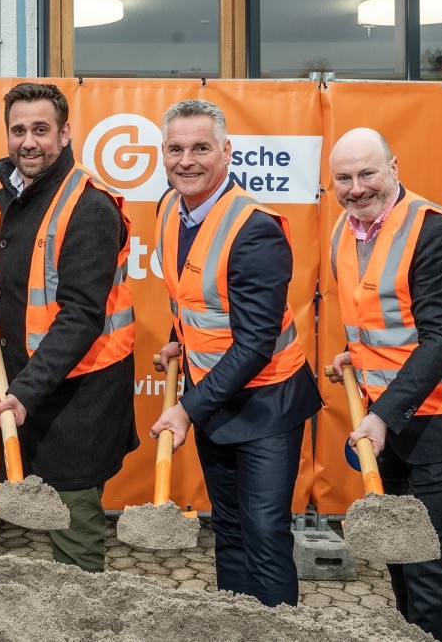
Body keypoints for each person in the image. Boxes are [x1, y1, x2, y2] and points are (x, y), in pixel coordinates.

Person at [327, 127, 442, 642]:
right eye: (344, 178)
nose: (357, 188)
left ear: (394, 168)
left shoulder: (436, 231)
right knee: (399, 560)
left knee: (426, 564)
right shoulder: (347, 228)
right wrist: (357, 356)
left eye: (368, 173)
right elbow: (381, 315)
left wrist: (381, 416)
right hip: (396, 420)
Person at [149, 99, 321, 607]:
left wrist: (186, 409)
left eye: (201, 148)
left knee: (264, 531)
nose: (187, 160)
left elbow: (254, 344)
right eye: (176, 149)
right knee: (227, 528)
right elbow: (196, 297)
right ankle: (235, 624)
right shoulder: (169, 208)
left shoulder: (255, 229)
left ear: (226, 151)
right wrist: (182, 339)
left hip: (267, 404)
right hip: (215, 400)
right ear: (163, 153)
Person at [0, 82, 139, 572]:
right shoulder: (26, 195)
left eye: (41, 130)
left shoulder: (89, 206)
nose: (28, 142)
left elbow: (81, 314)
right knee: (54, 527)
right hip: (42, 388)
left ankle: (84, 619)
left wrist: (24, 391)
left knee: (75, 532)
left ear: (65, 132)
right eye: (18, 131)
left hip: (80, 397)